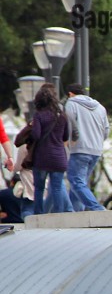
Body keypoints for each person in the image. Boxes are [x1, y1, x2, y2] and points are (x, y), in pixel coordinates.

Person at [22, 85, 72, 214]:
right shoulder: (62, 115)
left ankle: (39, 215)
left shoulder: (39, 115)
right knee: (56, 188)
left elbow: (36, 135)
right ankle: (59, 216)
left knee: (39, 188)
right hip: (59, 158)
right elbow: (66, 136)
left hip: (42, 158)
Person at [64, 84, 110, 211]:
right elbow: (106, 131)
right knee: (80, 183)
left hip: (79, 148)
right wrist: (97, 142)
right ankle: (76, 213)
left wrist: (69, 141)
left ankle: (97, 208)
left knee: (76, 181)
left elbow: (69, 124)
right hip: (96, 150)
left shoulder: (71, 103)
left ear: (70, 93)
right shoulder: (100, 107)